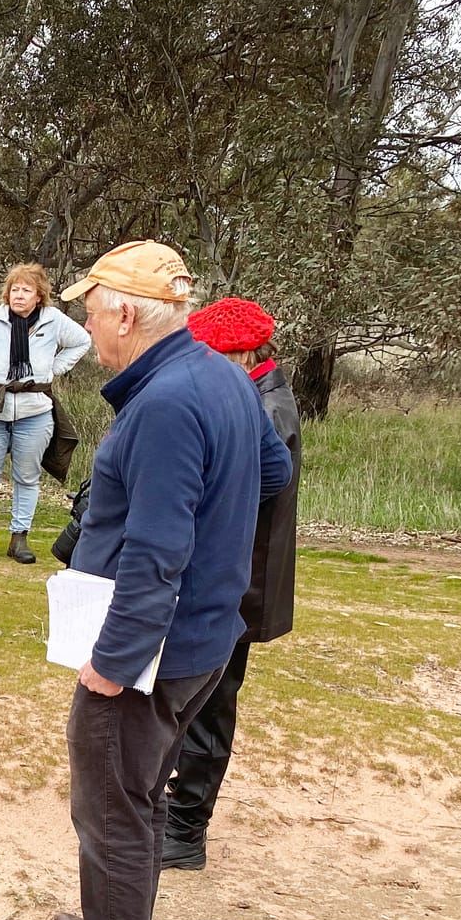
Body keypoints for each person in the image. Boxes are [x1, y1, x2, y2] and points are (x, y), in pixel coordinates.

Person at [17, 242, 294, 920]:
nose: (88, 326)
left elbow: (157, 551)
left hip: (153, 648)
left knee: (112, 796)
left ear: (128, 314)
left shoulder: (170, 402)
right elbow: (271, 474)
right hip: (206, 635)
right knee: (135, 790)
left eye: (93, 311)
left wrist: (112, 661)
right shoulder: (219, 376)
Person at [162, 296, 302, 869]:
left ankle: (187, 829)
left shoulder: (265, 410)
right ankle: (175, 810)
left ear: (243, 355)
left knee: (211, 704)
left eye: (210, 354)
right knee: (193, 700)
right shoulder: (251, 396)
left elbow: (234, 495)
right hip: (229, 575)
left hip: (239, 582)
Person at [0, 263, 91, 563]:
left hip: (36, 410)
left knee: (27, 476)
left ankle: (19, 539)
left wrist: (54, 370)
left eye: (26, 290)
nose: (19, 295)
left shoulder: (54, 320)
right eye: (15, 289)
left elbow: (82, 341)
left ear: (39, 296)